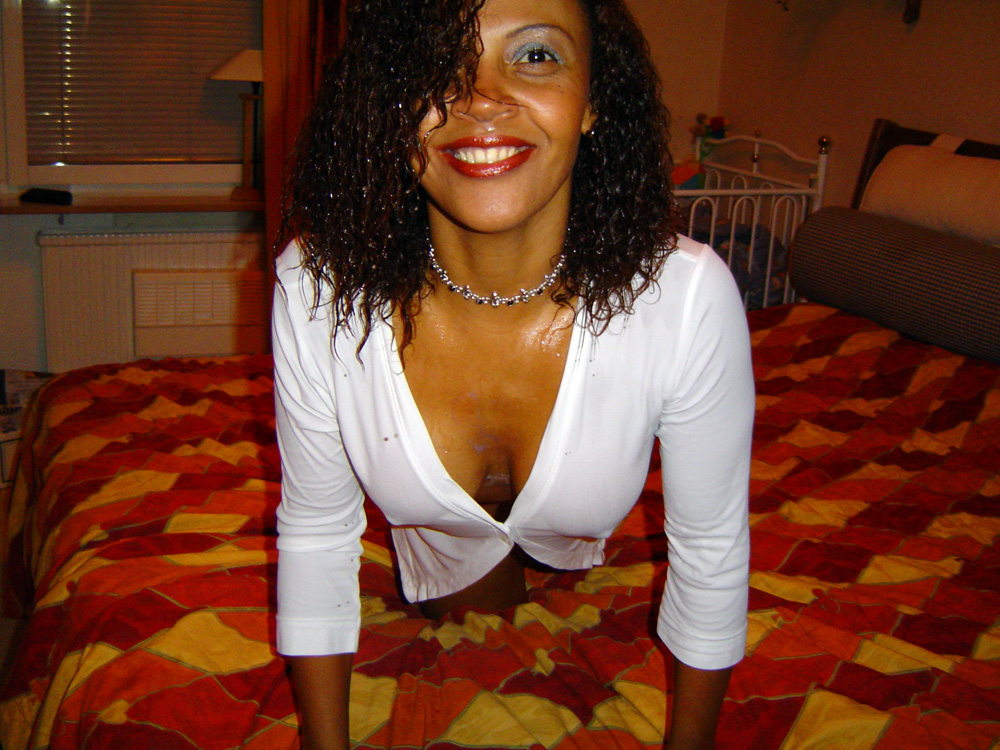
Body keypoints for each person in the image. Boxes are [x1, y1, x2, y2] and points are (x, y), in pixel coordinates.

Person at [271, 0, 754, 748]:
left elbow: (711, 552)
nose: (480, 96)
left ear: (591, 100)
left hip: (580, 543)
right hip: (440, 550)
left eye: (535, 55)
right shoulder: (319, 292)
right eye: (438, 60)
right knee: (482, 612)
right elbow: (316, 533)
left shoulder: (687, 299)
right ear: (392, 103)